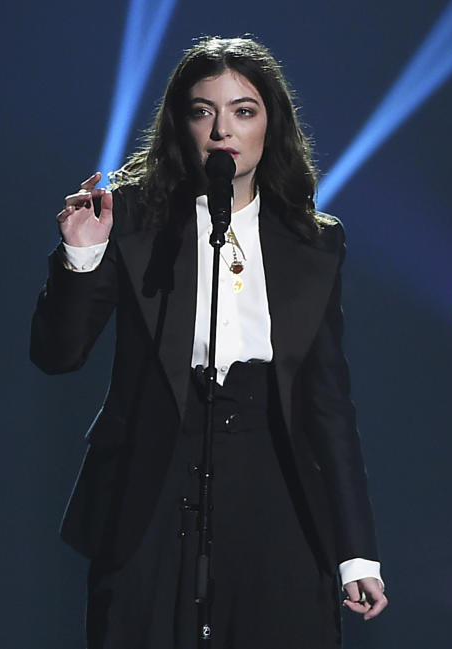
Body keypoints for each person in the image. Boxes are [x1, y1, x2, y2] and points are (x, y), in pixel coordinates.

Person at [31, 35, 387, 648]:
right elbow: (57, 356)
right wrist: (82, 255)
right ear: (181, 123)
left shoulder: (313, 242)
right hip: (153, 482)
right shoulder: (133, 221)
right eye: (204, 111)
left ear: (270, 125)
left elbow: (329, 406)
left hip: (273, 482)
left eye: (243, 111)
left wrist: (356, 553)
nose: (223, 129)